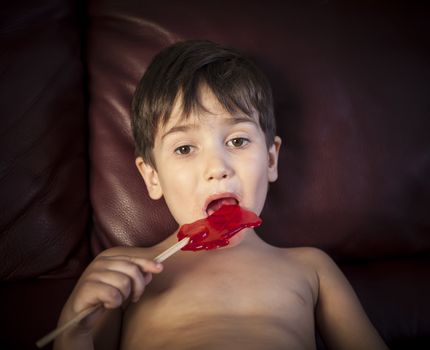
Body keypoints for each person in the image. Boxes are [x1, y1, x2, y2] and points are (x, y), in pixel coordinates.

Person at [54, 40, 388, 350]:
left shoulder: (311, 267)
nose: (218, 167)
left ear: (271, 160)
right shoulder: (124, 273)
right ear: (152, 177)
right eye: (185, 148)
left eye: (238, 141)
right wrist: (74, 328)